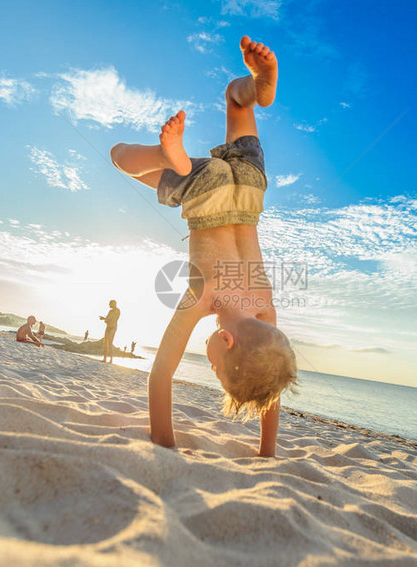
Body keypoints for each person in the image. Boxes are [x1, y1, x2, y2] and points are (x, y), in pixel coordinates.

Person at [110, 36, 297, 457]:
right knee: (119, 156)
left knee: (236, 101)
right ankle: (165, 155)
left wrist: (269, 450)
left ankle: (258, 88)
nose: (208, 359)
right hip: (208, 195)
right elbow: (160, 375)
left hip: (249, 193)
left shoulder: (266, 308)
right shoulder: (203, 299)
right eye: (213, 365)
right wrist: (165, 444)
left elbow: (271, 379)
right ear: (227, 342)